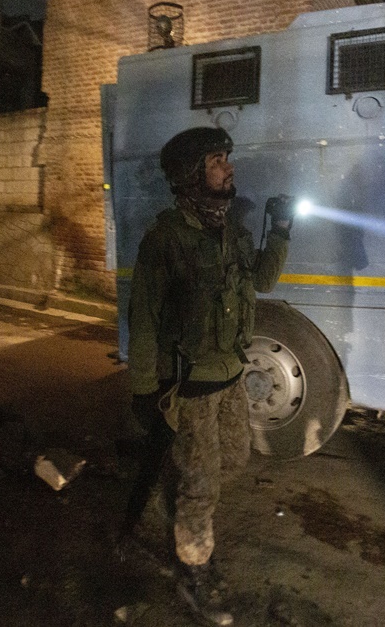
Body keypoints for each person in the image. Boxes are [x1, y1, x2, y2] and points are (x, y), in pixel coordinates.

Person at [122, 126, 291, 625]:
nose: (229, 168)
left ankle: (183, 511)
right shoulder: (166, 240)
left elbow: (262, 281)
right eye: (218, 161)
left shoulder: (231, 232)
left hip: (231, 375)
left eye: (225, 160)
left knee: (232, 460)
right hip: (190, 384)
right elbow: (145, 318)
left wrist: (279, 230)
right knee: (203, 482)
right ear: (192, 176)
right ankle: (192, 570)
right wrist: (143, 389)